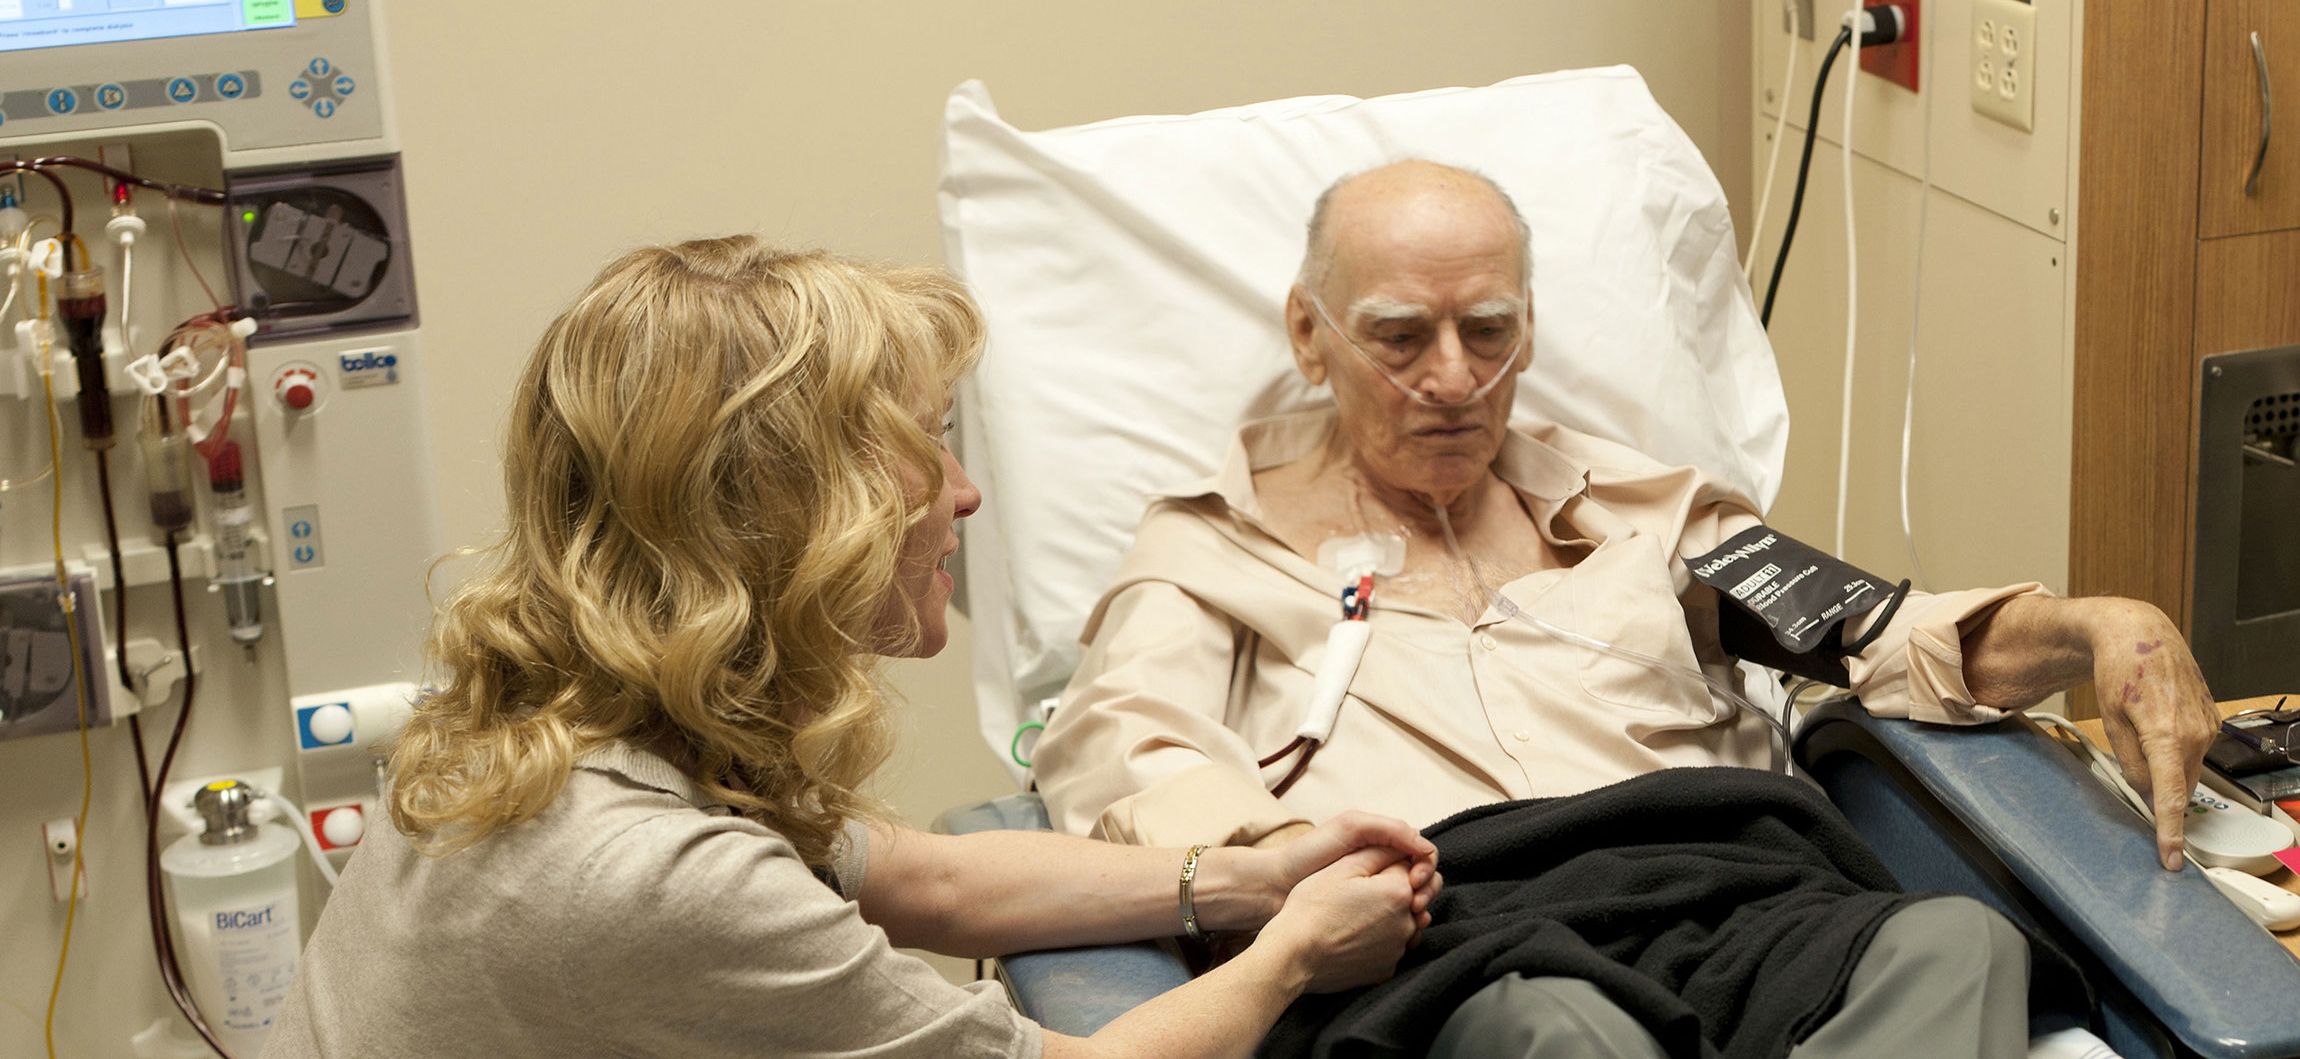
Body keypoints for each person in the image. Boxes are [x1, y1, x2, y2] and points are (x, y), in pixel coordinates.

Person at [1030, 160, 2220, 1057]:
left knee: (1957, 942)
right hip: (1459, 933)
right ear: (1311, 332)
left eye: (1486, 330)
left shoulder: (1642, 515)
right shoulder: (1213, 550)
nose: (1451, 378)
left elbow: (1881, 630)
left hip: (1733, 888)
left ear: (1529, 328)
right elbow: (1130, 765)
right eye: (1399, 336)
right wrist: (1287, 875)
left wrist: (2100, 625)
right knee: (1561, 1031)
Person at [271, 238, 1442, 1059]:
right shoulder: (654, 879)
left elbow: (924, 876)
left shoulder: (563, 724)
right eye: (929, 446)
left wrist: (1248, 875)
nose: (968, 495)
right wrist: (1289, 954)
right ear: (794, 513)